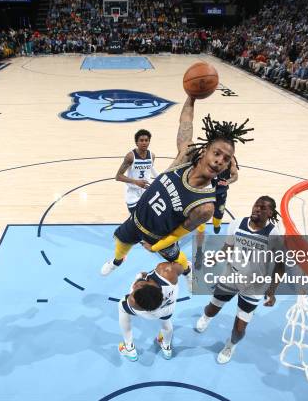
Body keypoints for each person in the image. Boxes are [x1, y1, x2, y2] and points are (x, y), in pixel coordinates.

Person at [100, 96, 253, 280]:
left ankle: (188, 271)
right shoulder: (184, 158)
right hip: (137, 219)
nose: (220, 160)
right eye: (217, 153)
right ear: (205, 151)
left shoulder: (205, 207)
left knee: (176, 258)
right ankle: (117, 261)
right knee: (122, 242)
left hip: (159, 236)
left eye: (226, 159)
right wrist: (191, 97)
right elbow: (185, 123)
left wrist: (155, 247)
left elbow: (180, 231)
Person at [194, 196, 291, 364]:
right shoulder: (237, 224)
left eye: (262, 207)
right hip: (231, 276)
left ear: (270, 212)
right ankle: (206, 318)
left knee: (239, 329)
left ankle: (231, 345)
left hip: (255, 286)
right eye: (256, 205)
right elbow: (227, 249)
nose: (257, 209)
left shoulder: (274, 235)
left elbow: (280, 265)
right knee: (211, 309)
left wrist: (272, 290)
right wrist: (214, 259)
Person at [118, 261, 184, 361]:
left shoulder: (133, 300)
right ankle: (166, 347)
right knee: (166, 323)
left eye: (136, 289)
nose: (134, 286)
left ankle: (129, 348)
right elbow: (181, 269)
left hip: (150, 313)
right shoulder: (167, 271)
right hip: (168, 308)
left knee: (122, 307)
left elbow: (135, 286)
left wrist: (139, 276)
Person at [115, 129, 158, 213]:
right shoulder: (130, 156)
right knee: (136, 218)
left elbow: (151, 169)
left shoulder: (152, 155)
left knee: (149, 219)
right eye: (141, 140)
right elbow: (118, 176)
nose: (144, 143)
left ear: (149, 142)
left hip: (146, 190)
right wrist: (135, 182)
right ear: (136, 142)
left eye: (146, 140)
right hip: (132, 192)